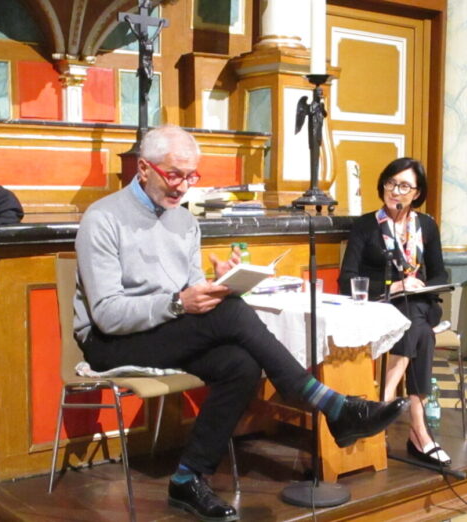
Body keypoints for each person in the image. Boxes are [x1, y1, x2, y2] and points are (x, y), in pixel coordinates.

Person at [74, 125, 408, 521]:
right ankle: (331, 405)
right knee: (232, 314)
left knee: (242, 364)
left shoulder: (184, 220)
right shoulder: (103, 218)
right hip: (109, 341)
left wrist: (217, 284)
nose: (184, 186)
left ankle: (187, 478)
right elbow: (108, 314)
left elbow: (188, 292)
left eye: (192, 176)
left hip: (163, 330)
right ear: (144, 168)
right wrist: (179, 302)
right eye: (174, 175)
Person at [339, 157, 451, 467]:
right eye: (390, 183)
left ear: (417, 193)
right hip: (381, 305)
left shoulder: (426, 226)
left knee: (415, 318)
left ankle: (383, 403)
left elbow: (440, 274)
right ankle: (419, 431)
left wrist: (419, 285)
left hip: (421, 303)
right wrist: (396, 286)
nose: (395, 191)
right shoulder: (366, 226)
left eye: (404, 186)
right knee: (420, 332)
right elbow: (347, 280)